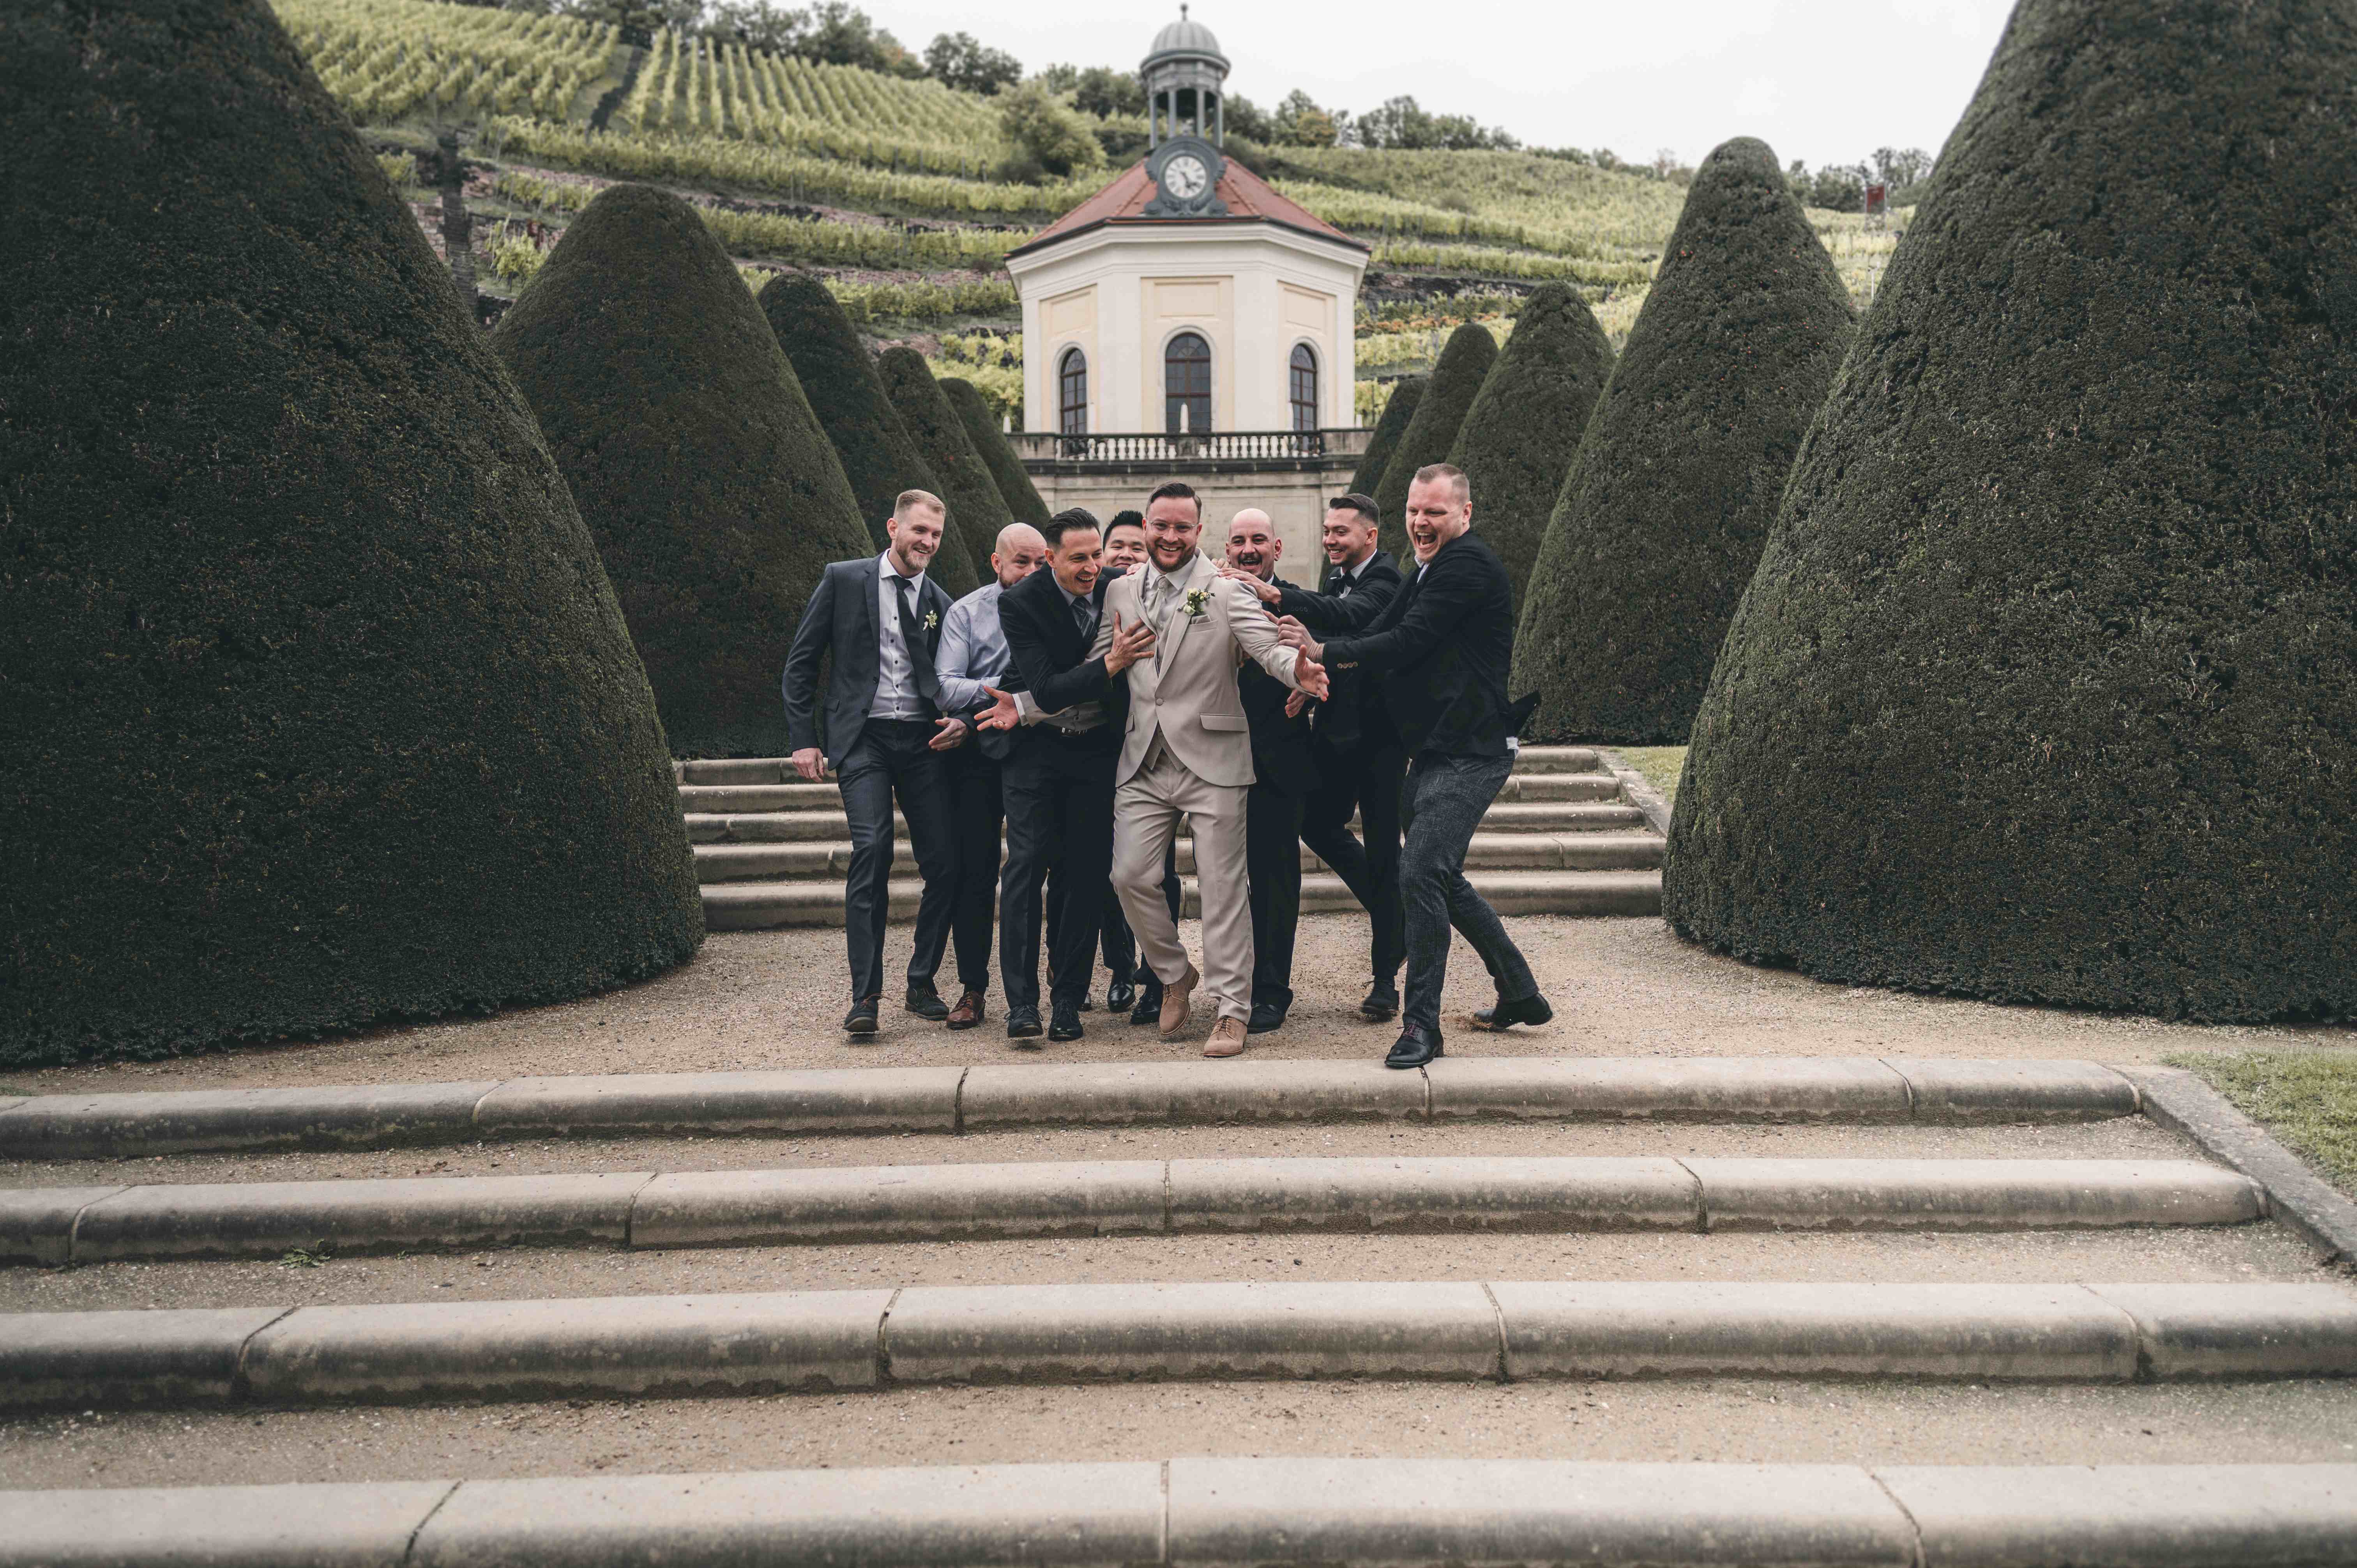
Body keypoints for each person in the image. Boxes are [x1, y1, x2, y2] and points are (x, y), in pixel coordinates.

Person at [989, 482, 1328, 1058]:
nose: (1170, 537)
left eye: (1182, 527)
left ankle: (1231, 1010)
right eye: (1160, 526)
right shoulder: (1119, 590)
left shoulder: (1222, 589)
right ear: (1146, 528)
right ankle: (1174, 972)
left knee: (1223, 889)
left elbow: (1268, 648)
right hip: (1142, 758)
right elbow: (1098, 665)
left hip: (1214, 757)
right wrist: (1025, 705)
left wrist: (1300, 672)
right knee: (1128, 877)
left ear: (1198, 532)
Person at [1276, 464, 1551, 1068]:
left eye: (1435, 512)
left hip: (1473, 751)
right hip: (1432, 748)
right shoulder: (1426, 566)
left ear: (1466, 515)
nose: (1421, 523)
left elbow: (1407, 641)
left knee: (1420, 871)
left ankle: (1421, 1025)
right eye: (1414, 511)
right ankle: (1520, 990)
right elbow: (1381, 624)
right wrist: (1317, 675)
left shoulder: (1468, 566)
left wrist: (1324, 649)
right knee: (1441, 877)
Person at [780, 490, 961, 1036]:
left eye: (935, 535)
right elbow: (801, 663)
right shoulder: (844, 579)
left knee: (947, 864)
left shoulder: (940, 601)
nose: (927, 542)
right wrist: (804, 740)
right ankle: (865, 996)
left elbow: (953, 675)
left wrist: (964, 720)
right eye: (919, 531)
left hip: (923, 741)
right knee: (873, 848)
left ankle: (921, 980)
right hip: (862, 739)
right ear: (893, 528)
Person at [1226, 492, 1406, 1021]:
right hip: (1325, 740)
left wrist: (1306, 657)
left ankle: (1386, 975)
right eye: (1326, 531)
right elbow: (1327, 635)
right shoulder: (1331, 580)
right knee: (1324, 830)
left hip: (1376, 743)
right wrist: (1309, 677)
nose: (1330, 540)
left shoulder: (1380, 581)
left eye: (1340, 532)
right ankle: (1399, 921)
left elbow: (1345, 619)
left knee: (1380, 853)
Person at [991, 508, 1157, 1042]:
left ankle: (1066, 999)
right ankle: (1022, 1004)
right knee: (1026, 868)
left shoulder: (1118, 587)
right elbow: (1044, 688)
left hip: (1097, 752)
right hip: (1036, 751)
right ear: (1051, 559)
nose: (1092, 568)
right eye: (1079, 558)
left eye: (1097, 556)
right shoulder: (1020, 601)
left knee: (1085, 875)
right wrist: (1110, 665)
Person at [928, 522, 1048, 1030]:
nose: (1033, 572)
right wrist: (1011, 687)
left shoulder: (1061, 608)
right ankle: (973, 990)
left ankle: (1049, 992)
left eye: (1041, 562)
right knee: (974, 872)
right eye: (1022, 562)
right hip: (976, 751)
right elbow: (944, 688)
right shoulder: (966, 612)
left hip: (1037, 749)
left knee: (1030, 867)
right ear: (996, 563)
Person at [1220, 508, 1318, 1034]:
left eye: (1260, 540)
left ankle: (1272, 990)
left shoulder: (1300, 601)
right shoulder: (1207, 596)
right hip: (1216, 762)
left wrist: (1310, 693)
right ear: (1227, 549)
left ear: (1277, 549)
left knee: (1277, 880)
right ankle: (1231, 985)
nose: (1249, 549)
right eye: (1239, 541)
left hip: (1279, 764)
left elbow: (1331, 665)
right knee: (1225, 881)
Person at [1090, 507, 1180, 1023]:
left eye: (1135, 547)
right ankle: (1121, 969)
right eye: (1117, 547)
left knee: (1157, 870)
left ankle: (1157, 978)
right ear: (1104, 553)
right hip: (1104, 747)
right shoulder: (1098, 598)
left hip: (1152, 750)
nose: (1125, 555)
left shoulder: (1161, 595)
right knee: (1111, 867)